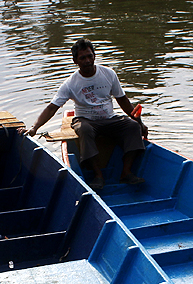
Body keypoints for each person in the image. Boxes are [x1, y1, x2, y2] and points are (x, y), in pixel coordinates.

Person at [19, 38, 148, 190]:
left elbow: (123, 101)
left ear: (94, 56)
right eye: (82, 58)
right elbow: (52, 108)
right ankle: (98, 175)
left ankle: (126, 172)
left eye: (89, 56)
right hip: (85, 119)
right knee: (85, 130)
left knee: (132, 126)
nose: (87, 61)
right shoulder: (71, 83)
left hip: (109, 118)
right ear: (75, 61)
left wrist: (140, 123)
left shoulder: (108, 74)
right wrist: (34, 127)